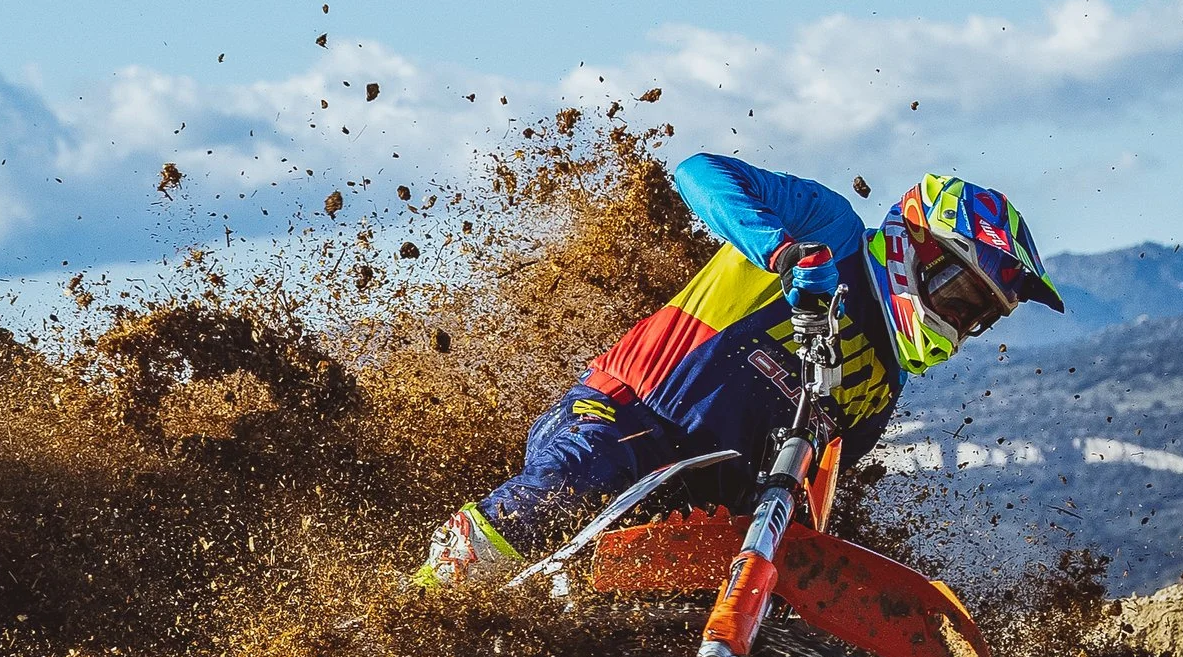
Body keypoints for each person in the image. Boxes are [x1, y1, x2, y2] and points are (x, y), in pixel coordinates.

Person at [416, 156, 1065, 587]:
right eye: (962, 294)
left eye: (980, 316)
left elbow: (814, 492)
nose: (962, 320)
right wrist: (783, 254)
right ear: (918, 246)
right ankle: (417, 605)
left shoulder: (881, 386)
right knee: (587, 472)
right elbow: (697, 172)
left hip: (702, 508)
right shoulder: (830, 229)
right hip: (626, 416)